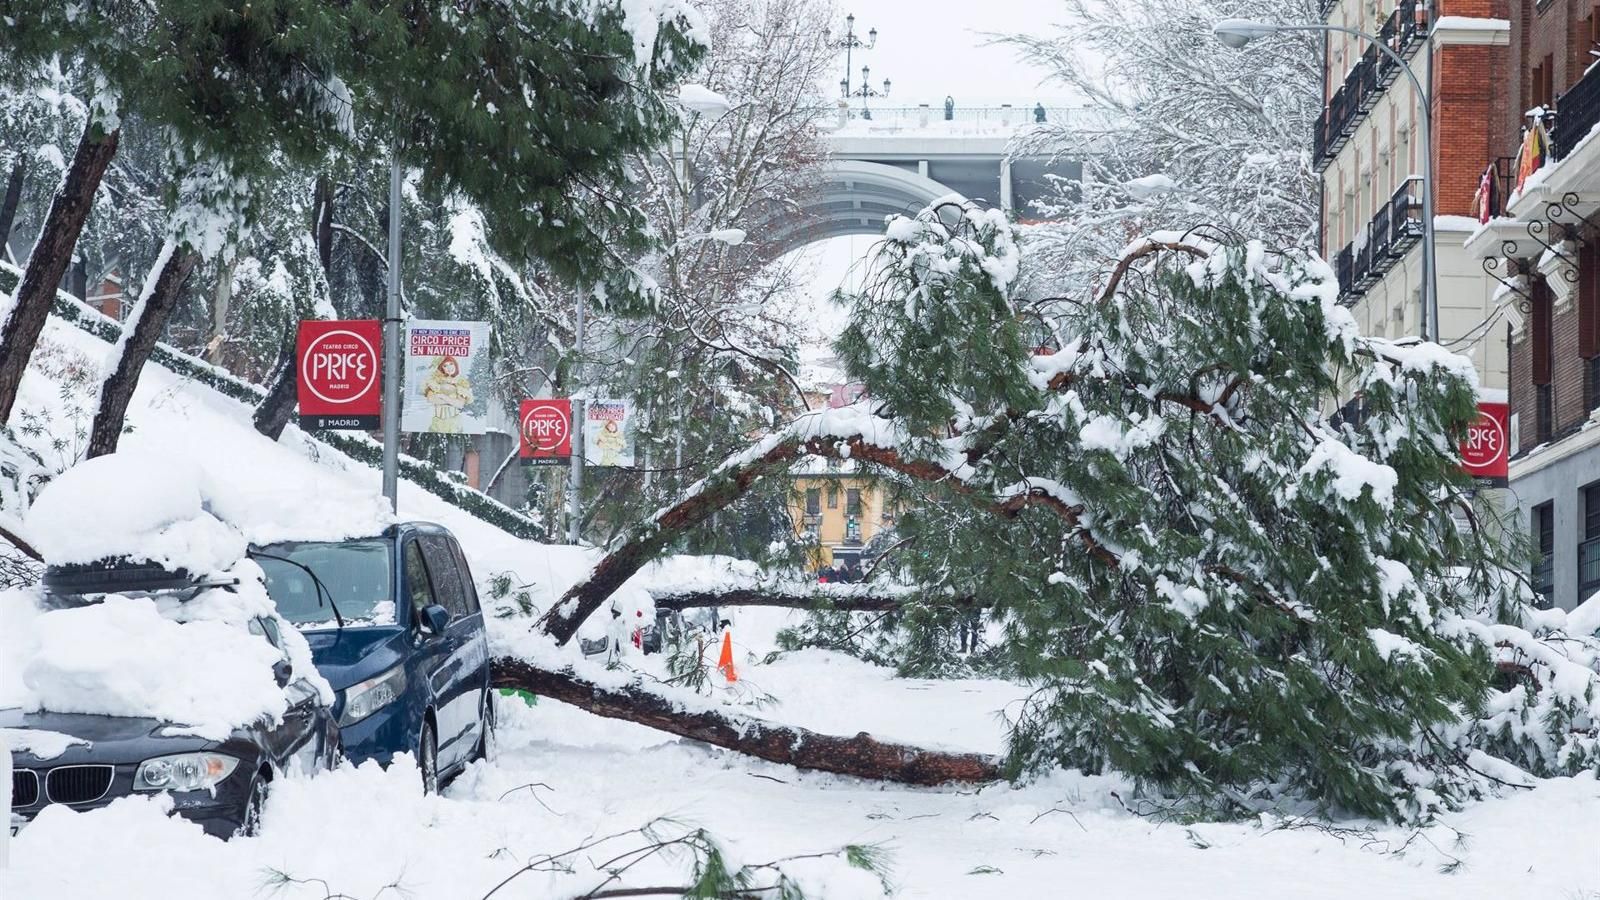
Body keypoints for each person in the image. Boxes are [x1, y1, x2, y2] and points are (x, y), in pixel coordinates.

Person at [420, 355, 472, 434]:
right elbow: (430, 399)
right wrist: (452, 401)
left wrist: (442, 396)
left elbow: (460, 404)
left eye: (451, 364)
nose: (449, 367)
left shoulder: (461, 382)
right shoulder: (435, 381)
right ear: (442, 368)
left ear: (455, 364)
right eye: (445, 365)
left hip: (454, 422)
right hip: (437, 422)